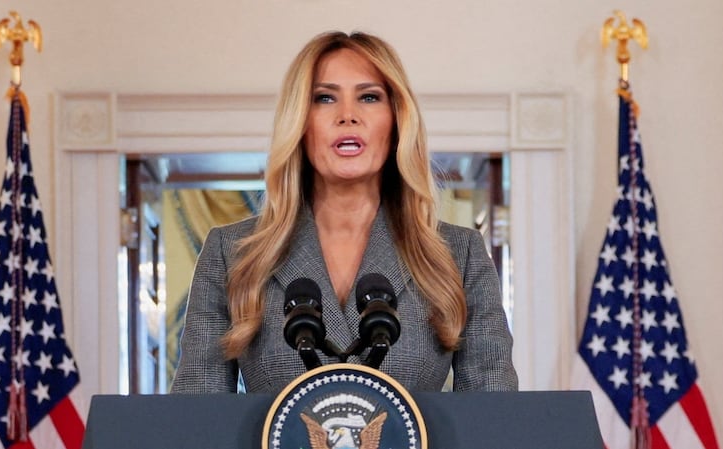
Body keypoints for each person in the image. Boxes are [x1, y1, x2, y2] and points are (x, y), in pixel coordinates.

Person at [171, 31, 518, 394]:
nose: (347, 116)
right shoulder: (231, 253)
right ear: (301, 123)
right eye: (324, 98)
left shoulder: (458, 255)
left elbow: (493, 415)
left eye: (369, 97)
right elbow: (198, 417)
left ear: (397, 121)